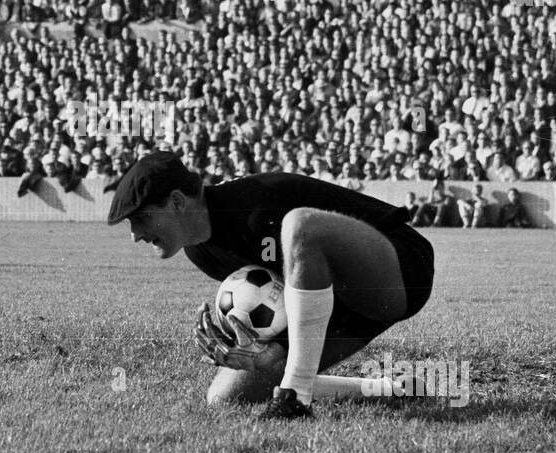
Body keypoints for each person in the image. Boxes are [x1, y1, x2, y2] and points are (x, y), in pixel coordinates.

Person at [108, 150, 435, 420]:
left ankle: (295, 399)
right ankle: (391, 389)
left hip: (398, 272)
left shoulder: (256, 200)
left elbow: (366, 230)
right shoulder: (200, 253)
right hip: (340, 307)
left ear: (177, 202)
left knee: (299, 225)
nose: (135, 234)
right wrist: (256, 348)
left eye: (141, 218)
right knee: (224, 397)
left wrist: (279, 348)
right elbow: (285, 295)